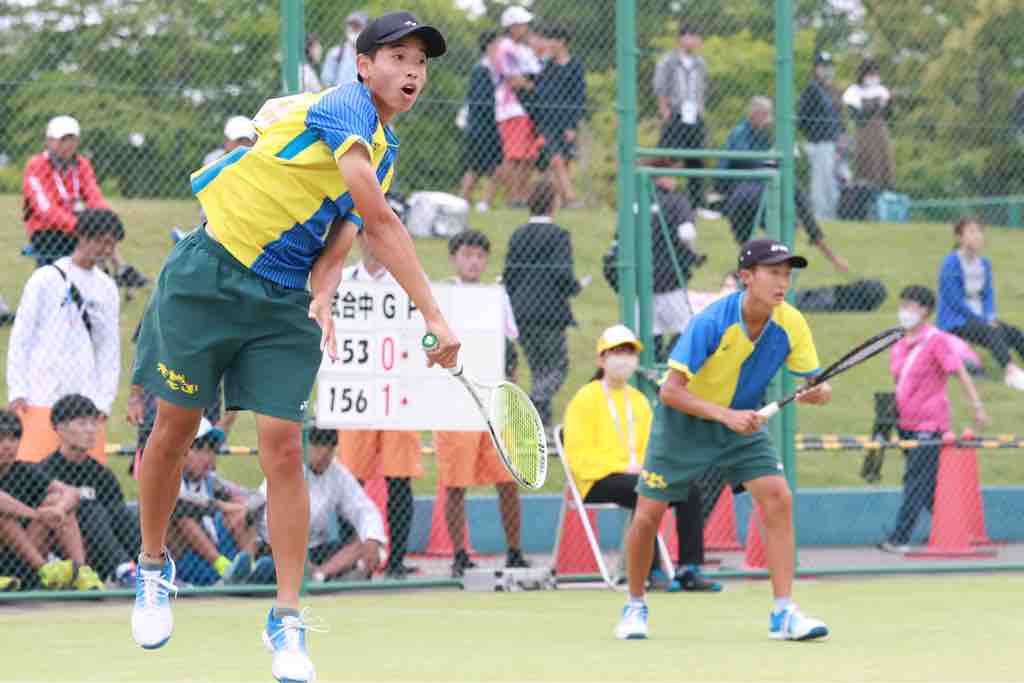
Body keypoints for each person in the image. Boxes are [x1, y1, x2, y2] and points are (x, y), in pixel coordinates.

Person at [127, 13, 460, 683]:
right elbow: (380, 221)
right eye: (398, 55)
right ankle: (154, 567)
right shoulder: (341, 106)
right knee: (173, 429)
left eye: (422, 60)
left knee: (284, 442)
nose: (414, 70)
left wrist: (326, 291)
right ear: (363, 65)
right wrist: (435, 314)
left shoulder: (383, 154)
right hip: (209, 273)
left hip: (282, 306)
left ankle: (285, 618)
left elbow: (342, 234)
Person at [616, 238, 832, 642]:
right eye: (773, 272)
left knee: (777, 497)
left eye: (787, 273)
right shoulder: (712, 322)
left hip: (741, 424)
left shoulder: (792, 323)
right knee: (648, 515)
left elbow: (814, 384)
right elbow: (670, 391)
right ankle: (634, 605)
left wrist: (820, 393)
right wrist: (725, 415)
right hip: (684, 420)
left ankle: (784, 613)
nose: (782, 281)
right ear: (746, 278)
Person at [564, 325, 721, 592]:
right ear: (601, 359)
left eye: (629, 352)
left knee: (689, 489)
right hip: (597, 480)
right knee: (645, 489)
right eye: (617, 352)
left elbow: (655, 445)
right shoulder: (584, 399)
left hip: (638, 475)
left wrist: (655, 469)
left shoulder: (638, 399)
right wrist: (625, 468)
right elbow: (578, 457)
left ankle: (689, 569)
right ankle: (652, 570)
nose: (624, 358)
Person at [434, 230, 528, 577]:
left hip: (492, 400)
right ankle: (459, 553)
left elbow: (510, 346)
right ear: (454, 258)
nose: (473, 261)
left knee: (507, 478)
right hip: (455, 402)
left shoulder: (496, 296)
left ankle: (514, 551)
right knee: (456, 483)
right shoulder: (442, 296)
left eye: (479, 255)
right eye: (466, 254)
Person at [338, 233, 424, 580]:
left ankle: (397, 560)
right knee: (351, 477)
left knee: (399, 478)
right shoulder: (343, 282)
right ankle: (352, 561)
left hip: (398, 392)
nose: (375, 242)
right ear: (359, 238)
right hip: (356, 391)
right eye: (367, 234)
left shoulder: (408, 282)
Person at [6, 208, 122, 463]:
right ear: (82, 236)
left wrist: (104, 400)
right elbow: (21, 336)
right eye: (102, 242)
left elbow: (109, 349)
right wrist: (18, 389)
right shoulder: (45, 278)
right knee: (33, 471)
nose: (106, 250)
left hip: (85, 398)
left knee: (84, 476)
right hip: (40, 392)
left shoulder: (107, 288)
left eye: (111, 245)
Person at [878, 286, 988, 554]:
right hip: (905, 423)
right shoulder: (900, 342)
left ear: (925, 310)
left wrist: (976, 405)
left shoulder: (935, 340)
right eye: (902, 304)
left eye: (910, 305)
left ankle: (899, 538)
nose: (904, 311)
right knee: (928, 487)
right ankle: (959, 530)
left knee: (915, 481)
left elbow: (958, 372)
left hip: (930, 423)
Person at [720, 97, 849, 273]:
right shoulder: (740, 132)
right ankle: (814, 244)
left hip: (761, 186)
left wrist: (773, 159)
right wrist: (769, 159)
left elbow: (766, 162)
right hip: (740, 188)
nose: (768, 120)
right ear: (753, 114)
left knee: (792, 192)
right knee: (789, 202)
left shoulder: (763, 134)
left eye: (769, 115)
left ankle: (806, 241)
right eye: (764, 115)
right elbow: (745, 160)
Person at [21, 115, 146, 285]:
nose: (68, 145)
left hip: (79, 224)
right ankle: (117, 270)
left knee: (102, 231)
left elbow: (94, 197)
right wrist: (80, 227)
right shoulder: (36, 165)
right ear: (49, 141)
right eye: (62, 139)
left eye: (72, 139)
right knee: (94, 239)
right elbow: (46, 210)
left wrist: (104, 220)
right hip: (46, 230)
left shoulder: (81, 164)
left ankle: (111, 274)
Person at [252, 427, 387, 584]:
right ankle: (296, 576)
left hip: (316, 548)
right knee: (268, 568)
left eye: (330, 447)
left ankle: (318, 575)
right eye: (318, 445)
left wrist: (372, 538)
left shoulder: (338, 473)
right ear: (304, 445)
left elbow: (364, 509)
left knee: (366, 543)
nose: (324, 453)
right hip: (277, 547)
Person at [503, 180, 583, 430]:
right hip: (550, 313)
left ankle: (541, 424)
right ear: (553, 204)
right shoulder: (559, 236)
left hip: (522, 312)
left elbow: (510, 275)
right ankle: (533, 400)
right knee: (558, 366)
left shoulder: (518, 235)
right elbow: (562, 273)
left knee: (539, 368)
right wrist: (575, 287)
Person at [39, 394, 139, 586]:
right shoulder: (45, 471)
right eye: (82, 423)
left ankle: (151, 569)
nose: (91, 430)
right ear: (60, 428)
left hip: (100, 553)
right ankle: (123, 569)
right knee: (91, 508)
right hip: (61, 555)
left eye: (94, 423)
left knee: (120, 512)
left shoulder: (102, 475)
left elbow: (121, 520)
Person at [0, 410, 104, 591]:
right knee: (5, 518)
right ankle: (45, 570)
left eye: (13, 439)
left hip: (22, 556)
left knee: (56, 501)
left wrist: (58, 510)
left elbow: (71, 493)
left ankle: (80, 572)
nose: (8, 446)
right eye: (1, 439)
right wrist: (37, 515)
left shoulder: (24, 470)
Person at [168, 419, 263, 586]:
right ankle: (223, 567)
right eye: (199, 449)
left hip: (217, 549)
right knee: (183, 516)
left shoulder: (212, 482)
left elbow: (252, 497)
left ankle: (249, 568)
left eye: (211, 450)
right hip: (185, 559)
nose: (207, 457)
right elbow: (181, 500)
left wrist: (244, 506)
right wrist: (223, 506)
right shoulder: (170, 477)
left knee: (240, 513)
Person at [936, 218, 1024, 390]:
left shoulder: (984, 263)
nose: (977, 236)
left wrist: (990, 315)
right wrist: (982, 319)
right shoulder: (951, 263)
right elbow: (954, 302)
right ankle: (1011, 372)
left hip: (980, 319)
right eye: (971, 232)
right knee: (991, 331)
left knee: (1013, 332)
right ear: (960, 238)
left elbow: (988, 294)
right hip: (956, 321)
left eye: (979, 232)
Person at [644, 158, 706, 362]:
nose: (673, 179)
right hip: (670, 276)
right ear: (658, 177)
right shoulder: (676, 201)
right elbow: (686, 233)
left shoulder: (638, 200)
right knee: (686, 328)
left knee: (651, 330)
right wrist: (692, 251)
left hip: (643, 279)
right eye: (669, 174)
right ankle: (667, 366)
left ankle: (653, 367)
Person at [653, 23, 711, 213]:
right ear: (681, 38)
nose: (692, 40)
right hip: (675, 113)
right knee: (668, 156)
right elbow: (660, 87)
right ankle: (658, 196)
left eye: (695, 37)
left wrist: (701, 110)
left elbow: (703, 88)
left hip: (694, 114)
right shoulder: (669, 61)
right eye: (689, 36)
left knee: (696, 159)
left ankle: (696, 202)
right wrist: (664, 111)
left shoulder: (700, 63)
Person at [493, 5, 544, 206]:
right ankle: (512, 197)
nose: (526, 28)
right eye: (522, 24)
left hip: (527, 108)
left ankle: (522, 196)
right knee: (514, 155)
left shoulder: (522, 49)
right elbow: (514, 80)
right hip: (512, 107)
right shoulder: (504, 48)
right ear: (512, 27)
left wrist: (531, 83)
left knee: (528, 156)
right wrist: (533, 85)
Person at [534, 25, 586, 209]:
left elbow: (579, 96)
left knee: (564, 162)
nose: (549, 44)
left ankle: (558, 201)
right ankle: (571, 198)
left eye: (552, 40)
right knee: (555, 160)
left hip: (566, 121)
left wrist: (572, 125)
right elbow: (537, 90)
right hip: (547, 121)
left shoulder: (575, 65)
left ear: (562, 42)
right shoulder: (546, 66)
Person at [458, 30, 503, 213]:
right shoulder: (481, 69)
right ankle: (463, 200)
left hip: (494, 126)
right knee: (474, 167)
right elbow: (479, 100)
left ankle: (485, 201)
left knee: (496, 167)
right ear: (489, 46)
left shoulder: (498, 69)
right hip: (481, 126)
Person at [797, 52, 846, 220]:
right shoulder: (812, 89)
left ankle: (830, 215)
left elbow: (838, 118)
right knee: (820, 183)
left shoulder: (829, 90)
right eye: (823, 67)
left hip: (830, 143)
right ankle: (820, 215)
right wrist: (813, 136)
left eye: (829, 67)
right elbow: (802, 119)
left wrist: (839, 137)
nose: (827, 70)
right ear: (815, 69)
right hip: (818, 143)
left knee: (831, 182)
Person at [842, 58, 893, 189]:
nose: (873, 78)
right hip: (864, 134)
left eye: (876, 74)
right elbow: (858, 117)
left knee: (885, 166)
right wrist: (876, 104)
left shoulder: (882, 90)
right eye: (870, 74)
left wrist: (887, 104)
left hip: (881, 134)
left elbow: (888, 115)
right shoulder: (853, 92)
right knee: (868, 167)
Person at [321, 10, 369, 88]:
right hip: (339, 98)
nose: (352, 30)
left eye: (357, 27)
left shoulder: (372, 54)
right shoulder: (335, 54)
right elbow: (326, 84)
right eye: (350, 26)